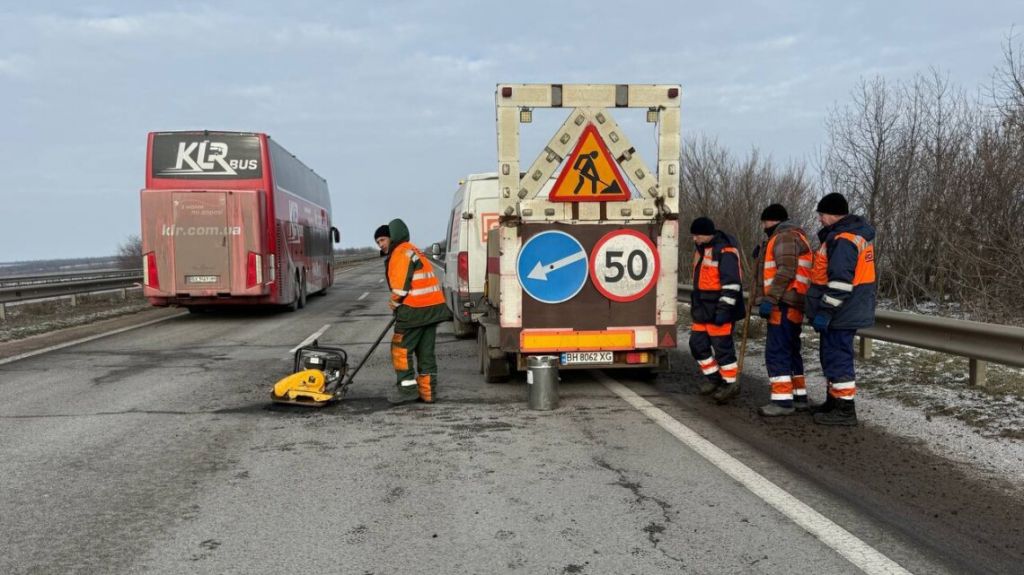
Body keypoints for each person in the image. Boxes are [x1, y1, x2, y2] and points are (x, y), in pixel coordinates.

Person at [806, 193, 877, 426]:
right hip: (847, 308)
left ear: (834, 214)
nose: (820, 219)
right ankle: (834, 402)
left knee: (838, 358)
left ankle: (845, 410)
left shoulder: (843, 240)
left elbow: (840, 283)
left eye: (822, 214)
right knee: (831, 356)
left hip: (842, 311)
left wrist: (826, 310)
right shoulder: (850, 235)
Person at [381, 218, 452, 405]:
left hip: (414, 310)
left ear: (393, 236)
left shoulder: (400, 253)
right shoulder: (414, 250)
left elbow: (400, 289)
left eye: (383, 239)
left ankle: (407, 391)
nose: (381, 244)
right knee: (426, 353)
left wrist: (394, 305)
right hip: (432, 310)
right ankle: (428, 393)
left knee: (401, 350)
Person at [753, 204, 813, 417]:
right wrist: (761, 257)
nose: (763, 226)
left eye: (765, 222)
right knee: (790, 350)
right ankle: (798, 396)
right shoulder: (792, 236)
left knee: (777, 351)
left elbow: (786, 270)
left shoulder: (784, 237)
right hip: (793, 302)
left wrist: (770, 298)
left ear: (773, 220)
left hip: (783, 302)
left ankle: (782, 401)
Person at [688, 217, 745, 403]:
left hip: (719, 310)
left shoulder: (725, 251)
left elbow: (732, 285)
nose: (694, 239)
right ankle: (714, 378)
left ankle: (730, 384)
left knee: (723, 350)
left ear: (706, 234)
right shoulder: (701, 249)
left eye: (696, 235)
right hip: (702, 310)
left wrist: (724, 311)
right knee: (697, 345)